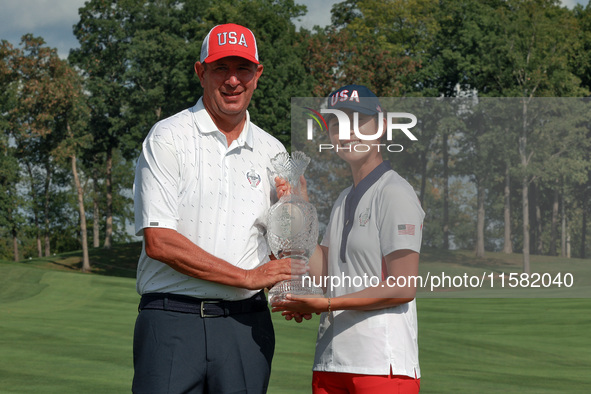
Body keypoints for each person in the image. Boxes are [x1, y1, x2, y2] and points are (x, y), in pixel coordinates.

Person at [132, 23, 305, 394]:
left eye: (242, 69)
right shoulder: (168, 137)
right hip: (172, 320)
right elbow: (159, 241)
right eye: (220, 68)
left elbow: (284, 246)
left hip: (245, 326)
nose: (232, 80)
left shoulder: (274, 152)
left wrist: (297, 216)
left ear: (257, 75)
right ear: (200, 73)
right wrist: (247, 277)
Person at [272, 85, 424, 393]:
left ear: (381, 126)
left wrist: (325, 303)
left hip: (380, 366)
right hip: (331, 361)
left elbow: (403, 286)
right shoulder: (343, 199)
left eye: (358, 121)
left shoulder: (395, 192)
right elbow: (328, 275)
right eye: (337, 124)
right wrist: (302, 208)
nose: (347, 132)